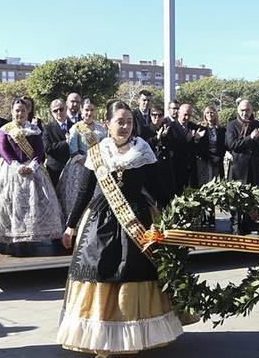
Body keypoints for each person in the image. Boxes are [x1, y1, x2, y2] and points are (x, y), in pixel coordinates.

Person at [57, 101, 183, 356]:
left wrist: (177, 213)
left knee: (134, 271)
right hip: (99, 222)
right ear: (108, 124)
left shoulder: (144, 151)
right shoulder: (98, 152)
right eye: (119, 122)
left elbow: (158, 188)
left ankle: (132, 336)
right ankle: (102, 336)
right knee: (99, 269)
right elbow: (84, 190)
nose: (125, 127)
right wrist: (70, 225)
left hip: (137, 219)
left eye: (129, 122)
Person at [0, 99, 64, 255]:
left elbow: (40, 151)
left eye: (23, 111)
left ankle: (29, 239)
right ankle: (8, 241)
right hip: (10, 171)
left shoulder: (34, 129)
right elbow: (3, 149)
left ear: (27, 112)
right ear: (12, 112)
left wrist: (33, 165)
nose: (20, 114)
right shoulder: (6, 129)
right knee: (8, 206)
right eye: (17, 111)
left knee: (31, 206)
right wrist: (17, 166)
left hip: (32, 172)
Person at [56, 99, 107, 219]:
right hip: (79, 166)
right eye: (86, 110)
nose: (89, 113)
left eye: (92, 110)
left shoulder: (101, 129)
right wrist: (85, 162)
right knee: (77, 197)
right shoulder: (76, 128)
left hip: (98, 166)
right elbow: (73, 150)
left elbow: (105, 147)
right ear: (81, 111)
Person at [227, 99, 259, 233]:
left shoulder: (258, 124)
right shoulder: (232, 125)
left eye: (248, 110)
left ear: (252, 111)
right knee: (237, 198)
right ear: (238, 111)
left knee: (253, 197)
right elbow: (232, 144)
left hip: (254, 167)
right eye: (242, 110)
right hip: (238, 167)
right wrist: (250, 138)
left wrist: (256, 138)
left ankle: (251, 223)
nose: (245, 113)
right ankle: (236, 225)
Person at [165, 103, 199, 195]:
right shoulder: (170, 127)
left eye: (189, 115)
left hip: (190, 168)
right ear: (178, 113)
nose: (187, 118)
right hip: (176, 167)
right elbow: (170, 146)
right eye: (185, 115)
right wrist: (186, 140)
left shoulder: (193, 127)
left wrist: (196, 140)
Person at [194, 105, 226, 186]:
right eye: (207, 113)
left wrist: (218, 157)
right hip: (204, 160)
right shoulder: (200, 128)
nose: (210, 115)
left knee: (217, 184)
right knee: (205, 184)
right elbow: (198, 147)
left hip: (218, 159)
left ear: (215, 114)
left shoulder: (221, 129)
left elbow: (224, 145)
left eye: (212, 113)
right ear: (204, 115)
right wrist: (210, 157)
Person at [43, 99, 72, 187]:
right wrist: (65, 143)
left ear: (66, 108)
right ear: (52, 113)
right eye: (55, 110)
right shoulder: (47, 128)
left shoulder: (75, 125)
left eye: (61, 109)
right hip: (55, 170)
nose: (58, 112)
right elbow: (47, 148)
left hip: (72, 168)